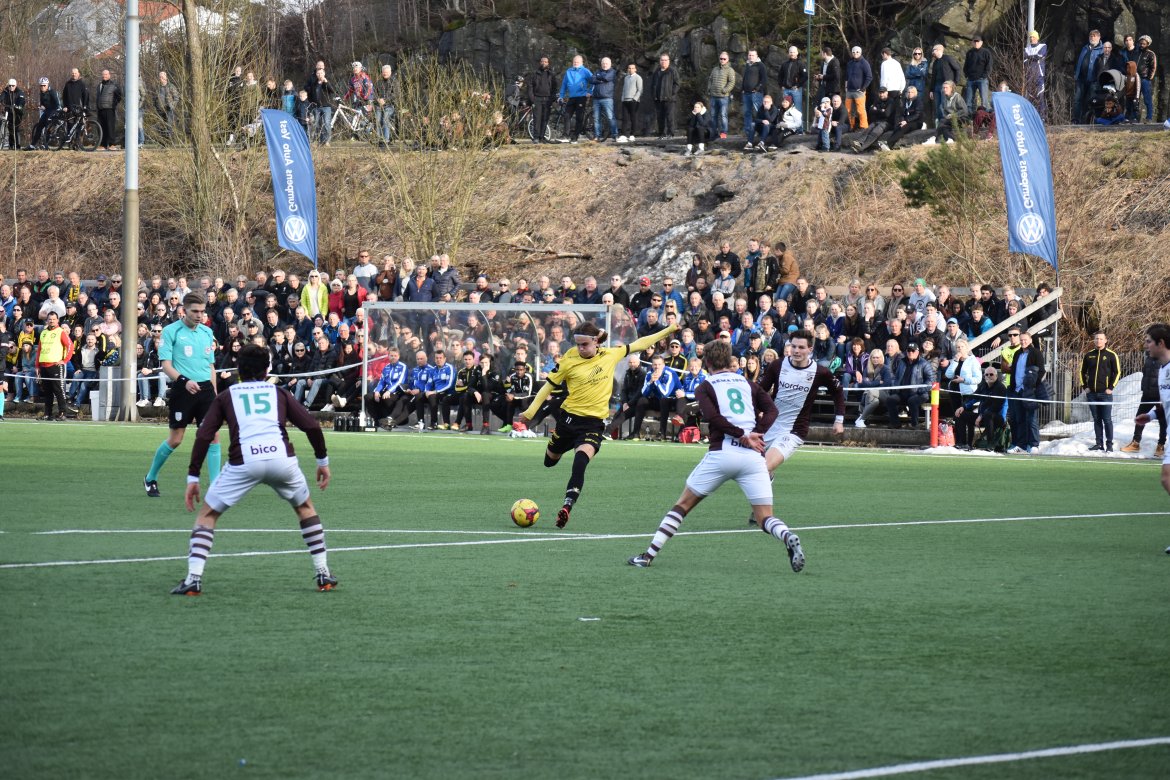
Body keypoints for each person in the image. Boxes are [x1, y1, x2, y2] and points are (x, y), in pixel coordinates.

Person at [171, 344, 334, 595]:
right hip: (281, 459)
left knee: (208, 515)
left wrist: (193, 476)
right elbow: (311, 425)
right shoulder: (278, 392)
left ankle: (194, 578)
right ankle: (323, 573)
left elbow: (205, 434)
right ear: (267, 369)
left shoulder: (227, 395)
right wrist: (322, 462)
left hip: (244, 461)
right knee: (305, 508)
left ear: (238, 370)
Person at [627, 339, 804, 572]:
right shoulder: (747, 383)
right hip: (753, 457)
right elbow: (772, 410)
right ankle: (787, 535)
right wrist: (756, 432)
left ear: (707, 362)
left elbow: (713, 418)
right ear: (729, 359)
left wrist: (742, 434)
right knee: (764, 518)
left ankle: (647, 556)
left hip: (723, 454)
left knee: (682, 505)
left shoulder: (705, 386)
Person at [520, 319, 678, 528]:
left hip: (592, 424)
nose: (580, 348)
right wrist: (530, 412)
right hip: (568, 421)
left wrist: (669, 329)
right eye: (578, 344)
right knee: (550, 461)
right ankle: (567, 445)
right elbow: (548, 387)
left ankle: (567, 505)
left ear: (596, 342)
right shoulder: (568, 359)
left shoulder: (610, 355)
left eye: (584, 344)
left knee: (580, 462)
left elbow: (641, 343)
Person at [144, 292, 221, 498]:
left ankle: (215, 488)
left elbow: (211, 366)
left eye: (202, 312)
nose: (199, 315)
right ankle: (150, 477)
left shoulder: (206, 332)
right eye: (195, 311)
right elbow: (166, 365)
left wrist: (215, 392)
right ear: (183, 311)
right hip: (182, 388)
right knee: (176, 439)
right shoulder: (171, 332)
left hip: (205, 391)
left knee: (213, 437)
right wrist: (184, 382)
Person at [758, 328, 844, 497]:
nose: (796, 351)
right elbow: (760, 391)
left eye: (801, 347)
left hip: (794, 430)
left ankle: (762, 508)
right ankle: (767, 483)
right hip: (769, 426)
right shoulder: (777, 365)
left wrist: (839, 419)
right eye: (794, 346)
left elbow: (838, 392)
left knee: (763, 467)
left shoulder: (820, 372)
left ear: (810, 350)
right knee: (752, 467)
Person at [1132, 325, 1170, 551]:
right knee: (1166, 478)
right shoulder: (1163, 370)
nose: (1146, 346)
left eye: (1148, 341)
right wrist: (1152, 414)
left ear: (1161, 343)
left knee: (1167, 477)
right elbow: (1166, 404)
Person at [1081, 331, 1121, 452]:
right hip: (1092, 394)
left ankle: (1109, 445)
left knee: (1107, 419)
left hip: (1105, 394)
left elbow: (1117, 372)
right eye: (1096, 338)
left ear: (1105, 340)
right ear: (1094, 340)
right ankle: (1099, 443)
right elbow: (1082, 372)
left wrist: (1111, 388)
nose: (1098, 340)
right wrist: (1085, 386)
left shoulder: (1111, 355)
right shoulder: (1088, 355)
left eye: (1101, 339)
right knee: (1096, 419)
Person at [1122, 348, 1167, 456]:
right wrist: (1144, 388)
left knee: (1162, 420)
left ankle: (1161, 445)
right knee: (1139, 417)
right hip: (1147, 394)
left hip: (1161, 395)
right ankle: (1135, 443)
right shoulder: (1149, 355)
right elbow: (1145, 373)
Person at [1007, 331, 1043, 454]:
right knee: (1019, 419)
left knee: (1031, 418)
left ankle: (1034, 444)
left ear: (1030, 340)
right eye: (1021, 340)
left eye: (1025, 339)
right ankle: (1021, 445)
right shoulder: (1017, 353)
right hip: (1016, 391)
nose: (1023, 342)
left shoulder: (1036, 353)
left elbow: (1041, 371)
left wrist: (1033, 386)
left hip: (1029, 392)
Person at [36, 311, 73, 420]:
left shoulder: (60, 332)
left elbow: (70, 346)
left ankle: (63, 413)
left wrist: (64, 360)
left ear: (57, 320)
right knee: (47, 392)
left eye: (54, 319)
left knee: (59, 390)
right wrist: (37, 366)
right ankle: (48, 414)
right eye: (50, 319)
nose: (51, 321)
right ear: (47, 320)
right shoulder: (43, 332)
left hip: (55, 366)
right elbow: (39, 350)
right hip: (44, 366)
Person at [558, 55, 592, 143]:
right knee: (566, 115)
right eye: (574, 62)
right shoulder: (568, 71)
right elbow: (564, 84)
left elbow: (593, 82)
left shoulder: (585, 71)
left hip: (581, 97)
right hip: (571, 97)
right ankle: (565, 135)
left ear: (581, 62)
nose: (575, 63)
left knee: (579, 117)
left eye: (577, 62)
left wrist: (590, 92)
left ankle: (575, 137)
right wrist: (561, 96)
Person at [1074, 30, 1104, 123]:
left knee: (1089, 101)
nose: (1092, 37)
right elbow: (1079, 62)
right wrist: (1076, 74)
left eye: (1094, 36)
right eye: (1091, 36)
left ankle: (1086, 121)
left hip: (1093, 80)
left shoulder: (1101, 49)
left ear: (1099, 37)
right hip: (1081, 79)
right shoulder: (1085, 48)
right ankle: (1076, 120)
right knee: (1077, 100)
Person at [650, 53, 680, 139]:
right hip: (658, 99)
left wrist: (671, 94)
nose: (663, 62)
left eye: (665, 60)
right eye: (662, 60)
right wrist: (653, 95)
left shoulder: (672, 71)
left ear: (669, 61)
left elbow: (677, 84)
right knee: (660, 118)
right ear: (660, 61)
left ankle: (670, 134)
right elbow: (653, 85)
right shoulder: (657, 71)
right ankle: (661, 134)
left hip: (669, 99)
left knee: (670, 117)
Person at [741, 49, 767, 147]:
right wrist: (742, 88)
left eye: (752, 55)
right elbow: (744, 78)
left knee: (758, 113)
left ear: (756, 56)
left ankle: (759, 131)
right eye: (749, 55)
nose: (751, 57)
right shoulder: (747, 65)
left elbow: (764, 79)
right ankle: (748, 131)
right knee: (747, 113)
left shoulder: (761, 65)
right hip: (746, 93)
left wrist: (757, 88)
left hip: (756, 94)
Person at [707, 51, 735, 140]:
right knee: (713, 115)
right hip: (713, 96)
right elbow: (710, 79)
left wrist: (725, 90)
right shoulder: (715, 69)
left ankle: (724, 132)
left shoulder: (730, 70)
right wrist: (709, 89)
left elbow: (732, 82)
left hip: (724, 97)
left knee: (723, 115)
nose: (722, 60)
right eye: (721, 58)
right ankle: (714, 132)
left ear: (727, 60)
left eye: (724, 59)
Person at [28, 77, 61, 150]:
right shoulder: (41, 93)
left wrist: (56, 111)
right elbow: (43, 103)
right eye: (41, 85)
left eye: (44, 85)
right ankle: (32, 145)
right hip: (46, 111)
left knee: (47, 126)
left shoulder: (52, 92)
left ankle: (45, 144)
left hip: (53, 111)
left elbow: (57, 104)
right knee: (39, 126)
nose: (42, 87)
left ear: (47, 85)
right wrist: (41, 106)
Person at [844, 45, 873, 130]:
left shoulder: (864, 63)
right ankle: (850, 126)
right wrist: (846, 87)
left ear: (860, 53)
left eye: (857, 52)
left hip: (859, 91)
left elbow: (869, 77)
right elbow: (846, 76)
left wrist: (863, 88)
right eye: (853, 52)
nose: (855, 53)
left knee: (860, 110)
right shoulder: (850, 63)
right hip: (849, 91)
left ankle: (864, 127)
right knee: (848, 111)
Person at [591, 57, 619, 142]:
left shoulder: (612, 71)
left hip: (607, 98)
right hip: (596, 99)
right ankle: (597, 136)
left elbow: (607, 78)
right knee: (596, 118)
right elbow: (592, 79)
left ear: (610, 64)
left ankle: (615, 135)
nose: (604, 65)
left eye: (606, 63)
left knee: (610, 117)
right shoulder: (597, 71)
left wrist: (598, 77)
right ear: (601, 64)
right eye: (603, 63)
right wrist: (600, 78)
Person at [94, 69, 123, 150]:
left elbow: (119, 96)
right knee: (101, 127)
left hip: (110, 109)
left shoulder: (114, 85)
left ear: (109, 75)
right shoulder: (99, 85)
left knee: (110, 127)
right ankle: (103, 144)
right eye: (103, 74)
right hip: (100, 109)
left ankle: (111, 144)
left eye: (106, 74)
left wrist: (114, 104)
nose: (104, 76)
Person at [1023, 31, 1048, 121]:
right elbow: (1025, 60)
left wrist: (1030, 57)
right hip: (1029, 76)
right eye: (1030, 37)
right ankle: (1031, 117)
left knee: (1040, 96)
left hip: (1039, 75)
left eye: (1033, 37)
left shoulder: (1043, 46)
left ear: (1037, 38)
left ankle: (1042, 117)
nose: (1031, 39)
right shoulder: (1026, 49)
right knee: (1030, 97)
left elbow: (1040, 56)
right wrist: (1033, 57)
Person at [963, 35, 992, 110]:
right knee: (968, 101)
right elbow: (966, 65)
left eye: (977, 41)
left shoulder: (986, 52)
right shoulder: (969, 53)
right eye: (974, 41)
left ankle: (985, 117)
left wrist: (984, 76)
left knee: (984, 101)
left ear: (981, 42)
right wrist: (967, 74)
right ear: (972, 42)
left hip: (982, 79)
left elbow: (989, 66)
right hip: (971, 79)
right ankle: (969, 118)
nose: (976, 43)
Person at [617, 62, 642, 142]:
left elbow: (640, 90)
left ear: (635, 69)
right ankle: (624, 135)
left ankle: (632, 134)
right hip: (625, 100)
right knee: (625, 118)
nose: (631, 70)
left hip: (634, 101)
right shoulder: (626, 78)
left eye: (632, 68)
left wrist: (635, 99)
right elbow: (624, 89)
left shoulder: (638, 77)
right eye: (629, 68)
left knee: (633, 118)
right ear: (627, 69)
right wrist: (622, 98)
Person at [2, 79, 26, 151]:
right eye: (10, 86)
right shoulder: (6, 91)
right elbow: (1, 97)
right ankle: (11, 145)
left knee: (16, 129)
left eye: (13, 86)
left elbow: (21, 100)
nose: (11, 87)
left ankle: (17, 146)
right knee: (10, 128)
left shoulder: (19, 92)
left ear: (16, 85)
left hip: (17, 112)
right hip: (8, 110)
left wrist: (18, 105)